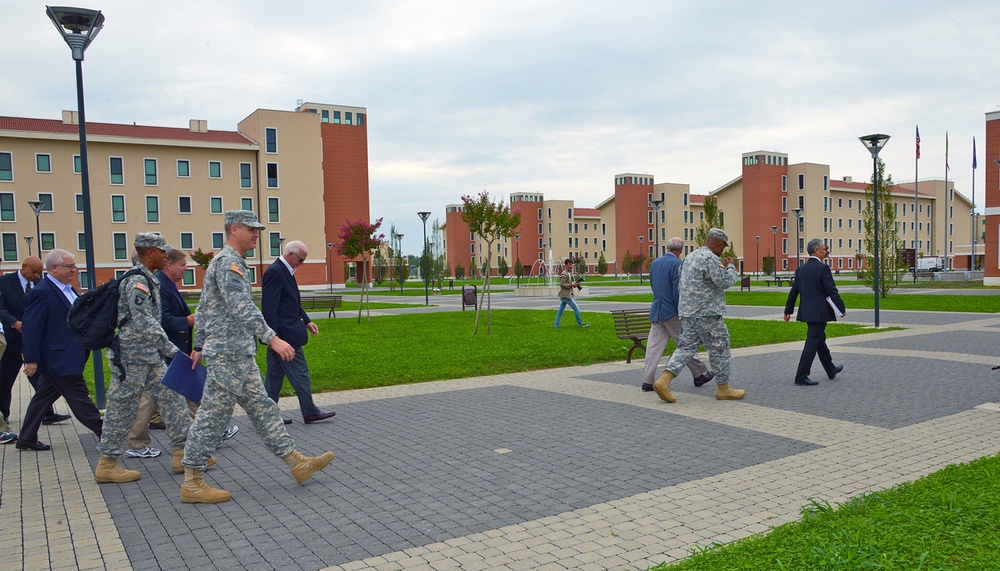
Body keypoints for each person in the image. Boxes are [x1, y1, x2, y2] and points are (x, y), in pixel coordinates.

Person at [181, 210, 334, 504]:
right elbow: (241, 306)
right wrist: (272, 338)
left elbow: (205, 307)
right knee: (212, 417)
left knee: (264, 409)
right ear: (234, 229)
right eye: (251, 229)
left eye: (258, 230)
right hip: (227, 355)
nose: (256, 234)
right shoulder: (228, 263)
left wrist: (199, 345)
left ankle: (296, 462)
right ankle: (193, 481)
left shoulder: (231, 263)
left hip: (238, 354)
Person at [95, 234, 206, 483]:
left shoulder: (148, 279)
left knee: (173, 399)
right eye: (161, 251)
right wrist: (171, 350)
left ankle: (182, 453)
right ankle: (107, 463)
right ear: (149, 252)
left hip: (150, 357)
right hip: (132, 358)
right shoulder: (137, 282)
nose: (166, 255)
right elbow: (144, 321)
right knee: (121, 408)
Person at [125, 250, 238, 457]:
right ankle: (137, 444)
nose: (187, 268)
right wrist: (186, 321)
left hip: (175, 351)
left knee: (191, 392)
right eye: (183, 265)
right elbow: (160, 320)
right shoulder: (157, 285)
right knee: (150, 399)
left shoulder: (167, 285)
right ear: (169, 266)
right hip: (163, 352)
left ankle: (210, 432)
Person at [15, 250, 103, 451]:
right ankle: (106, 433)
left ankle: (26, 437)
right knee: (80, 397)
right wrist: (30, 359)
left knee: (43, 397)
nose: (74, 270)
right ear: (53, 268)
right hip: (58, 358)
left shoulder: (68, 289)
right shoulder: (42, 292)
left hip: (69, 354)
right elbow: (31, 327)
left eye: (74, 266)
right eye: (69, 267)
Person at [653, 228, 745, 403]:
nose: (723, 251)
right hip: (707, 313)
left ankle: (664, 380)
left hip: (688, 312)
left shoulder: (689, 258)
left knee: (685, 348)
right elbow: (723, 281)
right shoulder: (710, 258)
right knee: (720, 348)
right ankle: (724, 388)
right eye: (723, 247)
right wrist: (732, 267)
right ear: (718, 244)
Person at [262, 240, 335, 425]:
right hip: (285, 338)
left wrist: (307, 321)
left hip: (282, 336)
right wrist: (274, 338)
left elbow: (291, 302)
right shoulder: (275, 272)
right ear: (290, 255)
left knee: (274, 377)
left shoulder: (286, 271)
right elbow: (269, 309)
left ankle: (266, 417)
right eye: (301, 260)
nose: (301, 264)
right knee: (300, 374)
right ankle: (310, 412)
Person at [0, 255, 70, 442]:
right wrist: (14, 323)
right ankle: (3, 414)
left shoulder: (40, 284)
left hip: (34, 341)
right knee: (5, 379)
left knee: (40, 379)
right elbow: (1, 308)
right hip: (13, 339)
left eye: (39, 272)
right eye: (33, 271)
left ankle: (47, 412)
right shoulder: (5, 282)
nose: (36, 275)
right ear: (23, 267)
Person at [640, 237, 714, 392]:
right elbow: (677, 290)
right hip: (672, 312)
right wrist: (682, 310)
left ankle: (648, 380)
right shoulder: (679, 264)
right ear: (681, 250)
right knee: (685, 344)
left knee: (653, 346)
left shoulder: (655, 263)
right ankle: (700, 373)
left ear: (667, 247)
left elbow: (653, 285)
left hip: (657, 309)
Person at [783, 238, 846, 386]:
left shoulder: (801, 270)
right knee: (812, 342)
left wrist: (788, 311)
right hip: (820, 313)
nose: (826, 252)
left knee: (819, 340)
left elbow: (794, 292)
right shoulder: (823, 268)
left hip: (807, 312)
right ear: (817, 251)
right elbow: (832, 290)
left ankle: (830, 369)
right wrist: (841, 308)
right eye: (824, 249)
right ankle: (801, 375)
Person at [554, 259, 589, 329]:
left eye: (571, 264)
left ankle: (556, 325)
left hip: (565, 295)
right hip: (565, 296)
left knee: (560, 311)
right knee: (576, 308)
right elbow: (562, 284)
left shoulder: (568, 273)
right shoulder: (564, 274)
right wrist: (571, 285)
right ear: (566, 265)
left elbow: (568, 284)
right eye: (569, 264)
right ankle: (580, 324)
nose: (571, 266)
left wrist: (572, 290)